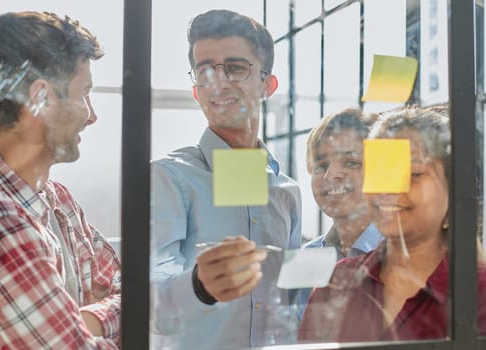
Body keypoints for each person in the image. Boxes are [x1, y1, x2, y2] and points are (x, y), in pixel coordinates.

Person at [0, 12, 120, 349]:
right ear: (41, 98)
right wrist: (103, 321)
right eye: (84, 94)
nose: (92, 116)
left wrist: (85, 321)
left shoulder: (58, 200)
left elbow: (127, 287)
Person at [150, 9, 302, 349]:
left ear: (267, 85)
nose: (218, 82)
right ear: (195, 91)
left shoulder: (286, 191)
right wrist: (198, 285)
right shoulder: (169, 177)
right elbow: (147, 294)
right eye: (204, 71)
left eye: (235, 68)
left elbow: (289, 301)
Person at [298, 105, 486, 342]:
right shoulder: (335, 283)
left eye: (413, 173)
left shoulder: (478, 293)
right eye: (381, 170)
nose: (389, 187)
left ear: (453, 188)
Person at [296, 108, 382, 313]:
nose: (331, 174)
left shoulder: (400, 252)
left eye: (352, 162)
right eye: (321, 165)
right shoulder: (308, 257)